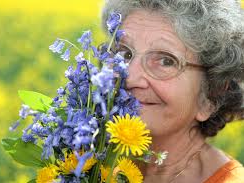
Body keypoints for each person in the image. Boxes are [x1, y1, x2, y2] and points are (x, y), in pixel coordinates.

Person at [101, 0, 244, 182]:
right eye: (125, 54)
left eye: (166, 61)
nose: (130, 78)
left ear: (211, 94)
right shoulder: (84, 158)